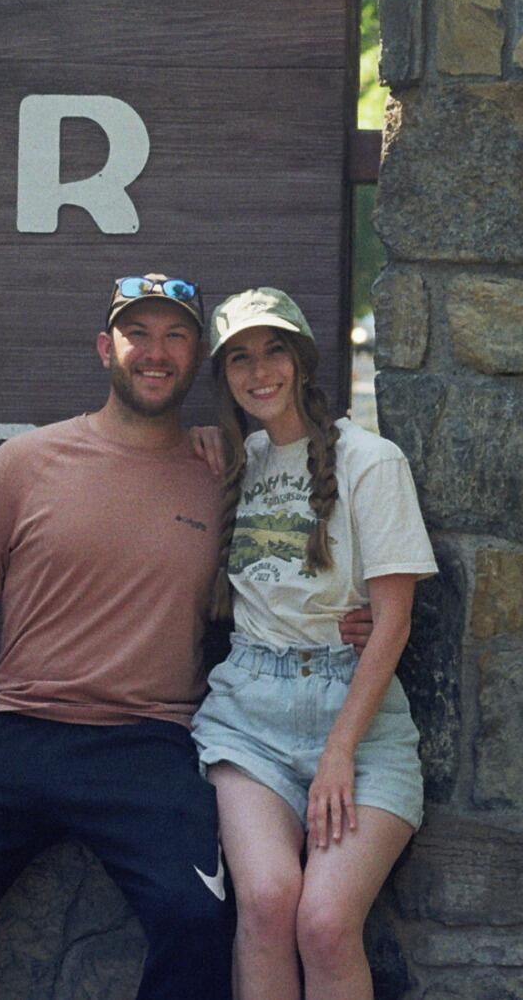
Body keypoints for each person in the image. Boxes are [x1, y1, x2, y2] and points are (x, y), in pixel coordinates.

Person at [0, 273, 235, 1000]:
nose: (155, 352)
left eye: (176, 336)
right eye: (137, 334)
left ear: (197, 357)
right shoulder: (24, 462)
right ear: (105, 348)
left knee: (198, 918)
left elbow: (290, 577)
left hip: (148, 740)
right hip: (14, 726)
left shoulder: (223, 473)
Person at [190, 287, 435, 1000]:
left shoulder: (370, 460)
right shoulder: (237, 459)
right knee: (267, 903)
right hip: (250, 716)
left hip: (357, 716)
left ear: (301, 360)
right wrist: (197, 441)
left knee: (325, 923)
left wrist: (339, 751)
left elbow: (393, 619)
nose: (259, 371)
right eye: (240, 358)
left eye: (274, 351)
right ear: (224, 376)